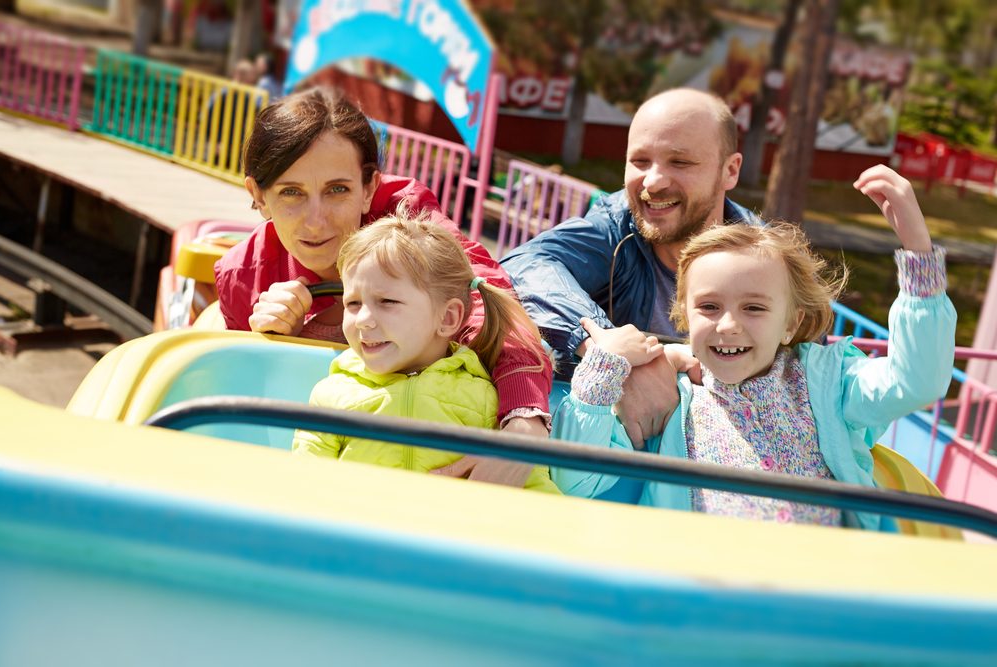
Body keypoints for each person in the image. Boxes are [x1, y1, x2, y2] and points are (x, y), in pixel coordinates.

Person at [551, 165, 956, 530]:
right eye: (709, 307)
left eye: (754, 308)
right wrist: (603, 370)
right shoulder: (670, 397)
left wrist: (919, 252)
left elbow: (917, 380)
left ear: (790, 324)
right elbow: (578, 481)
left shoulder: (829, 384)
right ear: (686, 317)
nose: (728, 325)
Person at [214, 87, 553, 485]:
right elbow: (244, 418)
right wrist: (270, 345)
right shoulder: (243, 277)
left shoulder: (411, 224)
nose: (315, 221)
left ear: (370, 188)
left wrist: (525, 423)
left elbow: (489, 303)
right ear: (258, 196)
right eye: (291, 192)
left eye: (337, 189)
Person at [501, 88, 761, 449]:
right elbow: (523, 265)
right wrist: (614, 354)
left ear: (729, 170)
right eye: (640, 161)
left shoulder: (769, 261)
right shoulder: (615, 227)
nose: (653, 182)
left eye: (680, 162)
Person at [291, 210, 560, 494]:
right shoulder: (331, 395)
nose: (363, 319)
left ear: (447, 318)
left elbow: (532, 491)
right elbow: (302, 486)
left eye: (387, 301)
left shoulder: (484, 401)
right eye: (353, 303)